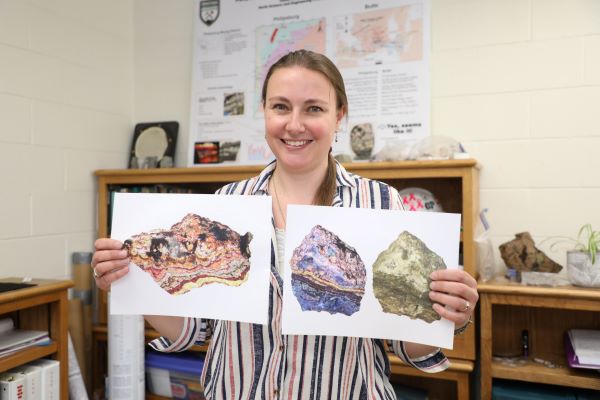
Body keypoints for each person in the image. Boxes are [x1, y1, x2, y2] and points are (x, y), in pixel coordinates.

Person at [92, 50, 479, 399]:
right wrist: (131, 282)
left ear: (339, 115)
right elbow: (196, 330)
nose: (295, 125)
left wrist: (446, 314)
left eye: (313, 109)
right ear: (264, 110)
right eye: (281, 107)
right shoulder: (229, 204)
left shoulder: (380, 204)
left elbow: (403, 345)